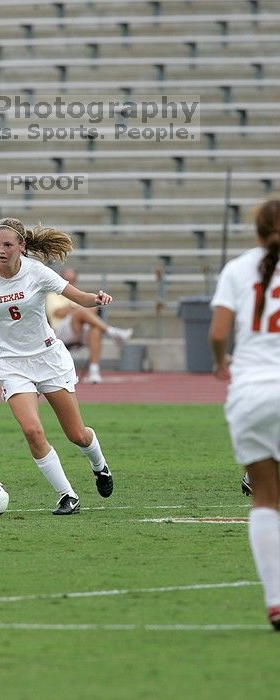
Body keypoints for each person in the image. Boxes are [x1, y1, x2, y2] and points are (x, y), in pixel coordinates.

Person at [0, 218, 115, 515]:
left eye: (8, 245)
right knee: (32, 431)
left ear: (22, 247)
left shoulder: (37, 272)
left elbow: (78, 297)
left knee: (77, 434)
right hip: (12, 364)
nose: (1, 250)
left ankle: (100, 466)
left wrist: (97, 298)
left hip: (48, 359)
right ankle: (67, 495)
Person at [209, 199, 280, 630]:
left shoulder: (238, 268)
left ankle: (275, 601)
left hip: (252, 393)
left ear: (256, 231)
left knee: (266, 498)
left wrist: (221, 362)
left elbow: (218, 333)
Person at [46, 267, 133, 383]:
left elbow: (93, 311)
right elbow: (58, 313)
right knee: (80, 311)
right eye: (67, 279)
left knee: (95, 328)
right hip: (59, 332)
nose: (70, 282)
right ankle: (112, 332)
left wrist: (75, 310)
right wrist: (76, 309)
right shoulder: (53, 294)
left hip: (80, 330)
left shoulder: (77, 293)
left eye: (72, 280)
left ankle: (94, 371)